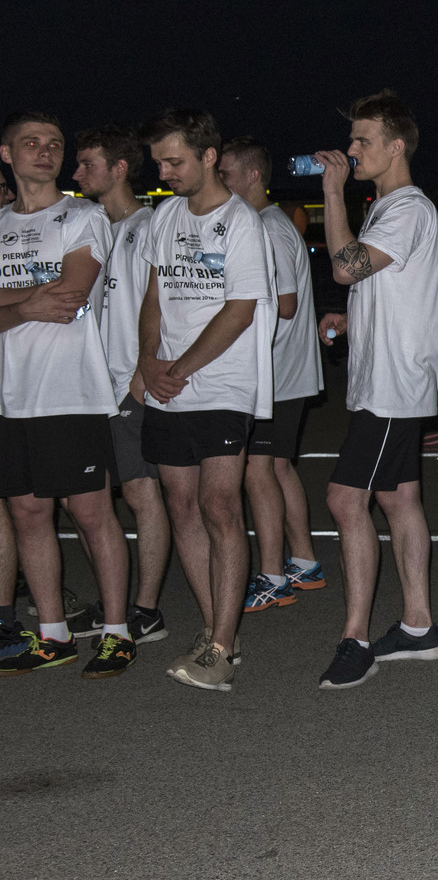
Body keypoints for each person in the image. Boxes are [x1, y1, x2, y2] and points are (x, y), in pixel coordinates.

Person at [137, 107, 275, 691]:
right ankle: (218, 630)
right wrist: (148, 360)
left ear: (209, 156)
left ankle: (220, 645)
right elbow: (153, 296)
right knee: (181, 504)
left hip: (222, 384)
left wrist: (180, 369)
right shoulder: (164, 216)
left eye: (174, 161)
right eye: (159, 162)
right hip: (169, 384)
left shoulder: (242, 222)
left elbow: (239, 311)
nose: (164, 173)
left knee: (220, 505)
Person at [314, 90, 438, 690]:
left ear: (395, 147)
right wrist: (353, 317)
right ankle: (418, 627)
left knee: (345, 501)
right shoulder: (389, 207)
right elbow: (382, 282)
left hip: (392, 385)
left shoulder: (407, 207)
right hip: (389, 378)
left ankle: (356, 638)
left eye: (363, 140)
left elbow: (345, 266)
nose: (351, 149)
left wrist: (331, 193)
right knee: (398, 499)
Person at [0, 110, 135, 679]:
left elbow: (72, 293)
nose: (45, 151)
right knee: (28, 512)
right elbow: (43, 299)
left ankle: (117, 632)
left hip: (69, 391)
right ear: (6, 154)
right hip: (10, 395)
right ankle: (53, 634)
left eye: (53, 143)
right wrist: (28, 304)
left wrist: (15, 302)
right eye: (30, 142)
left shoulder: (83, 216)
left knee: (91, 511)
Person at [72, 122, 172, 645]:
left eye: (87, 164)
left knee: (139, 492)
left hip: (128, 383)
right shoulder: (87, 226)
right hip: (85, 387)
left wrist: (141, 372)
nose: (76, 173)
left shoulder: (149, 224)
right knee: (82, 498)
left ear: (119, 168)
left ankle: (146, 609)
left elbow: (164, 305)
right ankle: (109, 601)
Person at [218, 137, 327, 612]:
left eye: (225, 173)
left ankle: (272, 576)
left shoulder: (267, 227)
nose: (220, 181)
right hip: (285, 371)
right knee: (277, 467)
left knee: (257, 470)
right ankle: (303, 562)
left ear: (252, 176)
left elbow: (285, 303)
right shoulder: (269, 223)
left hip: (276, 373)